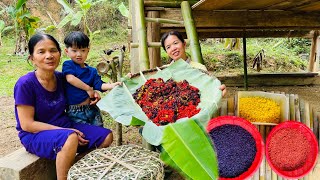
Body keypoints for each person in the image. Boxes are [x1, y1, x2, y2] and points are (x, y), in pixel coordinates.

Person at [14, 33, 113, 180]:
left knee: (106, 136)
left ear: (60, 54)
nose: (49, 56)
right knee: (71, 138)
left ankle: (75, 169)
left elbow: (82, 90)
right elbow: (27, 125)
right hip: (35, 135)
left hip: (65, 127)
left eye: (53, 50)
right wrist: (66, 131)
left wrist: (94, 95)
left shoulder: (61, 78)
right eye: (41, 52)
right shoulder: (25, 84)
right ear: (32, 58)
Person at [62, 31, 121, 127]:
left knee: (98, 132)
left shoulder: (92, 71)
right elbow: (70, 79)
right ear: (67, 51)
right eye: (74, 50)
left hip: (92, 108)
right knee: (82, 136)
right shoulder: (68, 65)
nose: (79, 54)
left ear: (88, 51)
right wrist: (88, 89)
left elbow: (99, 85)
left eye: (83, 50)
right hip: (75, 111)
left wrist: (112, 85)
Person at [160, 30, 227, 96]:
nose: (173, 48)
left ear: (184, 44)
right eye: (168, 47)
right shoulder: (164, 71)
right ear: (166, 52)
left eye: (175, 43)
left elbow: (208, 91)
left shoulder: (199, 68)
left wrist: (218, 91)